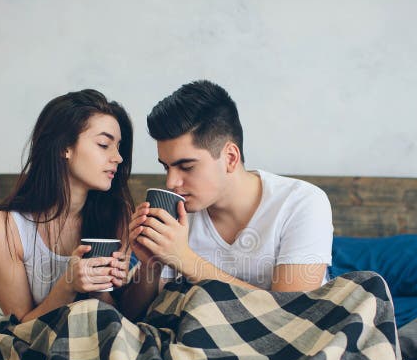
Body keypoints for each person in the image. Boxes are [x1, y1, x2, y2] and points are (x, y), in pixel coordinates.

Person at [120, 80, 333, 320]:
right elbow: (129, 316)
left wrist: (185, 259)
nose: (171, 182)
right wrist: (152, 266)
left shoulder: (301, 202)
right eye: (166, 167)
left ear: (230, 157)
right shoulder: (177, 213)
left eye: (186, 167)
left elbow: (292, 314)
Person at [0, 89, 134, 322]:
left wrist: (101, 285)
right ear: (65, 147)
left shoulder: (118, 215)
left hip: (101, 339)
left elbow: (119, 320)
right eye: (104, 144)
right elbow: (21, 329)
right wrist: (69, 284)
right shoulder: (3, 228)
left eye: (118, 147)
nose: (118, 158)